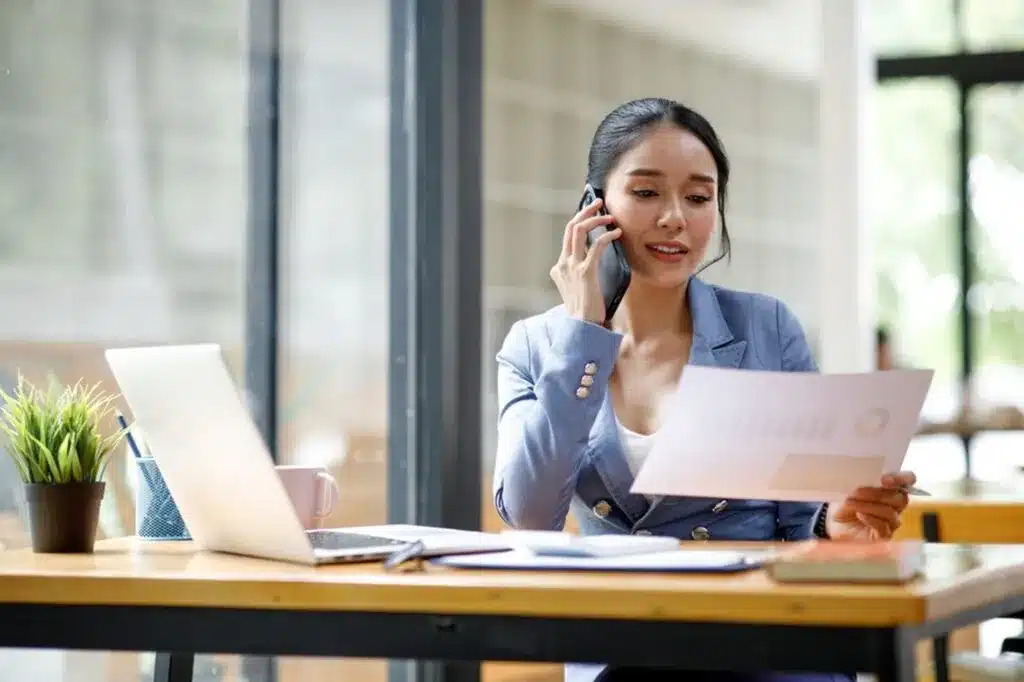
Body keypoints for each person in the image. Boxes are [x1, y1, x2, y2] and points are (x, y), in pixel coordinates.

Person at [491, 97, 917, 682]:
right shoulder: (537, 346)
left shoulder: (766, 327)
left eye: (698, 198)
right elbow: (530, 514)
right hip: (624, 652)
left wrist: (832, 523)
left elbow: (801, 519)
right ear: (593, 207)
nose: (675, 218)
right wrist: (583, 336)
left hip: (763, 645)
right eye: (645, 193)